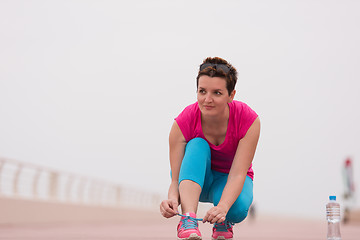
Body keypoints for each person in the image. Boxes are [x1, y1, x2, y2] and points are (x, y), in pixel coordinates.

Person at [160, 57, 260, 240]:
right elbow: (175, 179)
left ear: (231, 95)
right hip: (197, 181)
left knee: (236, 210)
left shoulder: (248, 119)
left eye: (217, 93)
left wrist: (223, 207)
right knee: (197, 144)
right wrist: (172, 200)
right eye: (202, 91)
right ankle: (189, 220)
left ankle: (223, 222)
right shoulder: (183, 122)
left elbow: (239, 173)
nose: (207, 99)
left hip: (229, 181)